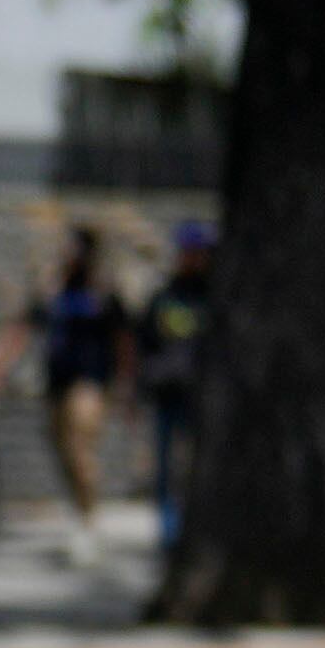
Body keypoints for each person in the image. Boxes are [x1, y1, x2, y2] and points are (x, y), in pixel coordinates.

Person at [0, 226, 128, 556]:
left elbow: (124, 341)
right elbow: (25, 326)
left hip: (91, 382)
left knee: (80, 447)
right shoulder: (54, 292)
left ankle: (89, 522)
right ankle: (80, 513)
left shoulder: (102, 294)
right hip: (56, 382)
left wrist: (126, 383)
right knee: (61, 449)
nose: (66, 254)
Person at [139, 221, 216, 549]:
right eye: (190, 252)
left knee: (200, 469)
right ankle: (170, 536)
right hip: (168, 394)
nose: (194, 258)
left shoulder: (219, 296)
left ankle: (199, 532)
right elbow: (143, 342)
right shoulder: (165, 296)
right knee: (167, 469)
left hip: (205, 397)